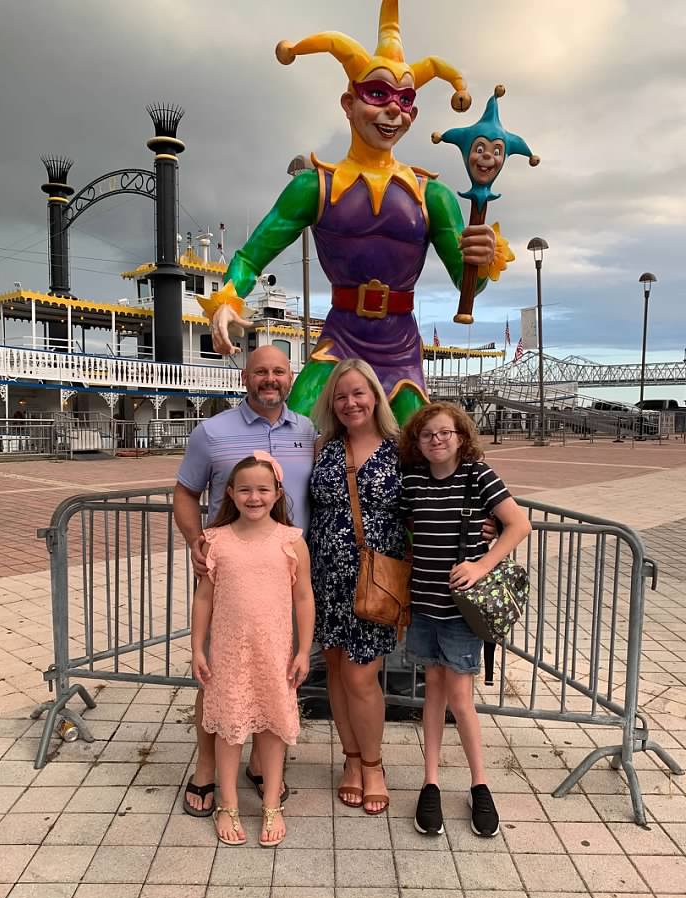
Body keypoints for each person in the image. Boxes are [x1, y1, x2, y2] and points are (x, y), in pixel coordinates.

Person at [199, 0, 506, 425]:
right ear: (349, 102)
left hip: (400, 349)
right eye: (378, 94)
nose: (393, 110)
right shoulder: (314, 187)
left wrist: (482, 259)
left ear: (413, 113)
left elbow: (467, 282)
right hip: (339, 340)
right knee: (296, 432)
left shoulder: (431, 195)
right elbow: (251, 257)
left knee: (420, 444)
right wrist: (228, 300)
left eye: (405, 99)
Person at [174, 345, 317, 816]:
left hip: (283, 572)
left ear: (290, 378)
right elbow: (185, 492)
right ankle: (207, 767)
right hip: (228, 569)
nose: (269, 379)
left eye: (279, 371)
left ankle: (261, 764)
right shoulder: (212, 432)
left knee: (275, 673)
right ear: (245, 378)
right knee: (218, 677)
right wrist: (197, 542)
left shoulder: (307, 431)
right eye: (260, 372)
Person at [399, 402, 531, 837]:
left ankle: (480, 783)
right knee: (433, 693)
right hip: (424, 604)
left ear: (460, 437)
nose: (436, 440)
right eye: (427, 435)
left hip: (460, 609)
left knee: (459, 697)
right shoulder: (414, 480)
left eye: (445, 433)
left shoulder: (478, 476)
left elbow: (518, 524)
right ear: (417, 442)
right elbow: (402, 523)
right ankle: (431, 781)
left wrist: (482, 564)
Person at [191, 453, 314, 846]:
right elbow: (204, 599)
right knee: (230, 728)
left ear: (277, 493)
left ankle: (272, 802)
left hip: (275, 654)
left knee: (272, 726)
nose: (254, 497)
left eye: (263, 489)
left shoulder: (291, 541)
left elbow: (304, 598)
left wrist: (303, 650)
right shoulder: (216, 540)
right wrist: (197, 648)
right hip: (228, 654)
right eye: (245, 489)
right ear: (230, 493)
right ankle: (227, 802)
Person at [309, 358, 404, 814]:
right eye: (341, 396)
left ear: (375, 397)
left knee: (360, 675)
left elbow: (439, 491)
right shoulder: (323, 448)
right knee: (334, 669)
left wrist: (484, 524)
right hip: (325, 576)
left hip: (375, 580)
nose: (350, 403)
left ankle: (373, 764)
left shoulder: (401, 449)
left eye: (358, 393)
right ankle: (350, 759)